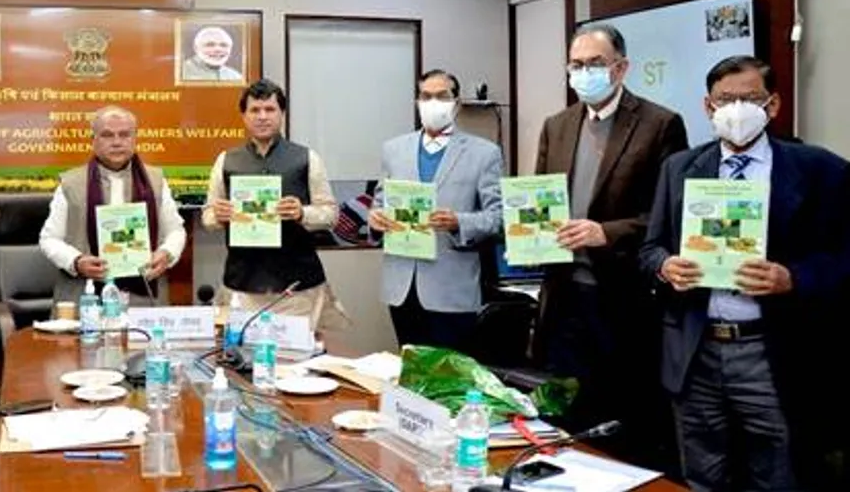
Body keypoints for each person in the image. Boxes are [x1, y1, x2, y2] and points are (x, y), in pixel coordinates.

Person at [640, 55, 850, 491]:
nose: (736, 109)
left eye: (749, 98)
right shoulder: (679, 169)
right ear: (707, 106)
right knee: (702, 473)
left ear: (772, 106)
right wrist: (664, 266)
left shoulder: (820, 170)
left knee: (779, 472)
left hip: (772, 349)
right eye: (725, 99)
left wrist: (793, 278)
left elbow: (843, 257)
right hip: (696, 349)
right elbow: (649, 248)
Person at [535, 23, 688, 463]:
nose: (584, 73)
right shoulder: (557, 125)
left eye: (595, 64)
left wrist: (607, 232)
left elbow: (670, 217)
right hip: (563, 294)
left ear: (621, 68)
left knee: (622, 417)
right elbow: (541, 200)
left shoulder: (660, 124)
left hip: (622, 297)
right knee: (564, 415)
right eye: (576, 65)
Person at [367, 70, 502, 351]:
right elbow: (381, 201)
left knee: (447, 380)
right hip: (402, 286)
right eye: (426, 96)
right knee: (411, 377)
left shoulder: (484, 153)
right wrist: (376, 219)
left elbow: (499, 216)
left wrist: (459, 222)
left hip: (451, 287)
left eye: (442, 96)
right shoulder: (394, 149)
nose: (432, 103)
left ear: (457, 103)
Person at [201, 79, 347, 331]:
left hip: (297, 286)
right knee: (244, 361)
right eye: (254, 110)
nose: (262, 117)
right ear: (244, 116)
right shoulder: (226, 161)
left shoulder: (307, 158)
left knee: (295, 362)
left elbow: (331, 214)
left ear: (282, 114)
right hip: (242, 283)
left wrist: (303, 213)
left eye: (270, 110)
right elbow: (208, 216)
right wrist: (218, 215)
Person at [39, 105, 187, 304]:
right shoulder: (71, 183)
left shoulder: (155, 180)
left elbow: (176, 231)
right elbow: (49, 239)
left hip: (143, 296)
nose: (117, 142)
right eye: (108, 135)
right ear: (93, 140)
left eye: (125, 135)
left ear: (135, 139)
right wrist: (76, 261)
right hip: (86, 296)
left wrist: (166, 254)